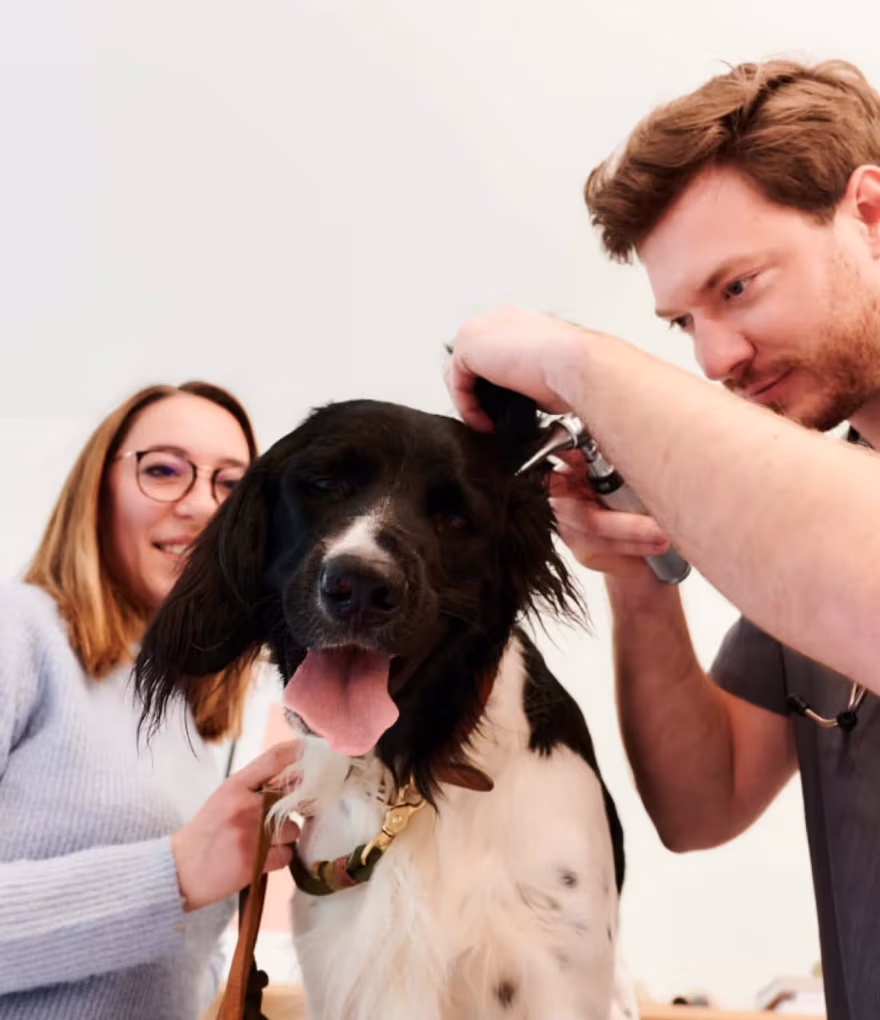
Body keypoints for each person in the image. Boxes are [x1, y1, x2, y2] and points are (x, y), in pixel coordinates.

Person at [446, 59, 880, 1019]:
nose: (716, 356)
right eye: (683, 320)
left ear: (871, 214)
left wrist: (575, 362)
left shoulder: (831, 547)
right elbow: (700, 803)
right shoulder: (810, 540)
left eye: (737, 287)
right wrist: (639, 578)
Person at [0, 381, 300, 1020]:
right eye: (163, 470)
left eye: (230, 486)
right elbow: (177, 884)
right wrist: (177, 871)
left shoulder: (196, 710)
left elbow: (178, 960)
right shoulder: (19, 631)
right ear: (96, 489)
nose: (200, 506)